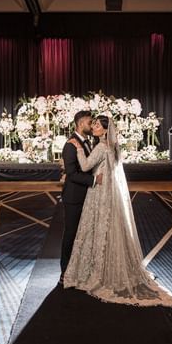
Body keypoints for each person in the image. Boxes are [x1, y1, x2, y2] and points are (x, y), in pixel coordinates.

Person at [63, 115, 172, 307]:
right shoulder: (112, 147)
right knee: (105, 229)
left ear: (106, 130)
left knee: (97, 228)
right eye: (93, 123)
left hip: (99, 193)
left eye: (97, 125)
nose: (94, 126)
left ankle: (96, 271)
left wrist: (80, 149)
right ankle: (107, 267)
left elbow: (84, 166)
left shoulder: (99, 146)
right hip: (106, 194)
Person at [59, 111, 103, 286]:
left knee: (83, 234)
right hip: (74, 197)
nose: (92, 126)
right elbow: (71, 173)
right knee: (71, 234)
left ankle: (80, 269)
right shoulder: (70, 145)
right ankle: (65, 272)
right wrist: (94, 180)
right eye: (89, 122)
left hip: (87, 196)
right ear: (80, 123)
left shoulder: (88, 142)